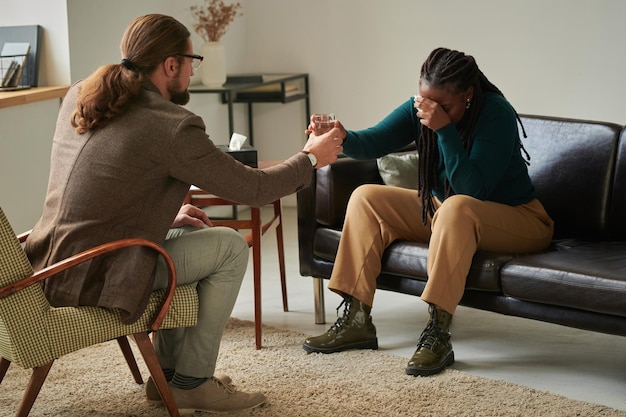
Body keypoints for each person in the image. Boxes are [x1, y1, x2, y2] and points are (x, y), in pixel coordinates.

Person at [24, 14, 342, 414]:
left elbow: (96, 185)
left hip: (51, 260)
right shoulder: (171, 125)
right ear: (170, 65)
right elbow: (252, 189)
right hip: (97, 274)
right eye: (193, 61)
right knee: (228, 247)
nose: (193, 72)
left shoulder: (81, 94)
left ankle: (170, 381)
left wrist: (163, 213)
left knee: (195, 238)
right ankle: (192, 383)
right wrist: (311, 157)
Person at [302, 47, 554, 377]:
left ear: (467, 95)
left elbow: (471, 190)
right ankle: (356, 321)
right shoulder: (420, 109)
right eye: (425, 102)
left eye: (442, 105)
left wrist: (444, 130)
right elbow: (375, 141)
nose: (430, 110)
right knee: (366, 197)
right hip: (450, 212)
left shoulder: (496, 114)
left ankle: (438, 333)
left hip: (518, 218)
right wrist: (341, 135)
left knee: (457, 206)